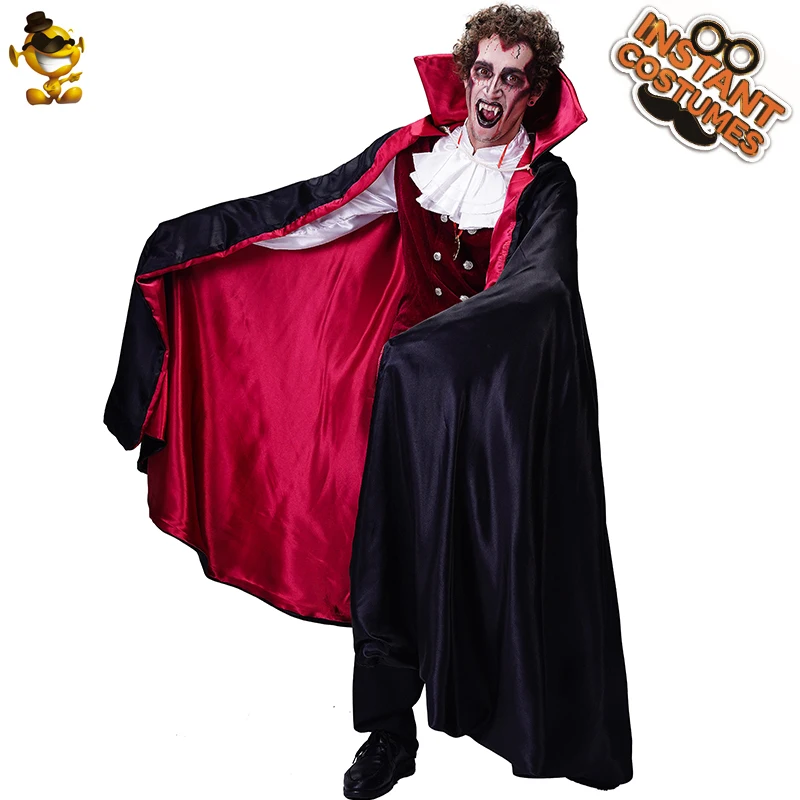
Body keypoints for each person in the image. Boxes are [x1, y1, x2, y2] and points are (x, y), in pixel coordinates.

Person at [104, 4, 632, 797]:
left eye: (512, 78)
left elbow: (542, 285)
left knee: (475, 559)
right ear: (466, 77)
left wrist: (445, 351)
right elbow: (316, 217)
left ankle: (493, 708)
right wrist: (193, 244)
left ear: (533, 94)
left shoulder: (545, 183)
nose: (493, 89)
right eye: (483, 71)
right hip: (398, 398)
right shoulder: (416, 157)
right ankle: (389, 734)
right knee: (381, 554)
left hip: (488, 406)